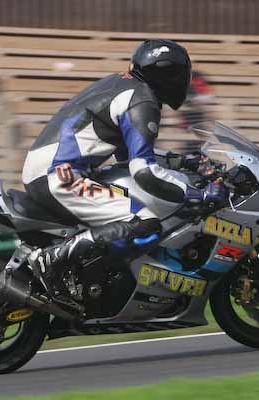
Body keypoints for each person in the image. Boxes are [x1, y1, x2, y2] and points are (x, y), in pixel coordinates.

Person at [21, 39, 227, 302]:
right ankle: (51, 258)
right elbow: (144, 171)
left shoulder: (123, 85)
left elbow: (128, 156)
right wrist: (198, 195)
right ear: (169, 76)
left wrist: (184, 162)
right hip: (61, 176)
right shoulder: (141, 100)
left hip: (51, 171)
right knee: (144, 225)